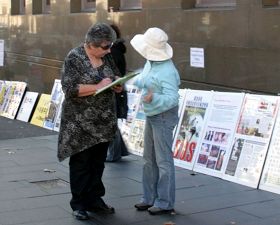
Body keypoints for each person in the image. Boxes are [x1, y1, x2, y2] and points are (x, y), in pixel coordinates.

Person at [57, 22, 123, 220]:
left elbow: (113, 75)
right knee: (81, 163)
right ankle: (79, 203)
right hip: (80, 122)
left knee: (98, 162)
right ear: (91, 44)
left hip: (103, 121)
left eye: (110, 45)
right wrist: (98, 86)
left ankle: (95, 199)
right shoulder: (74, 57)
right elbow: (70, 89)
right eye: (104, 46)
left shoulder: (107, 55)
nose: (108, 49)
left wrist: (117, 84)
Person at [130, 27, 180, 215]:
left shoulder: (167, 70)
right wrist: (133, 80)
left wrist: (154, 99)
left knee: (163, 161)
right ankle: (149, 197)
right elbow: (146, 78)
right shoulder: (152, 62)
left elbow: (173, 98)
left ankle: (165, 202)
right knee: (149, 159)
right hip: (153, 114)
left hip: (163, 115)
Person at [106, 24, 129, 162]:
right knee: (111, 123)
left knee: (110, 124)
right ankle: (120, 151)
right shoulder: (116, 50)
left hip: (113, 91)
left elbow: (112, 73)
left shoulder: (113, 52)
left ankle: (114, 154)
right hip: (115, 89)